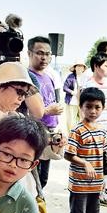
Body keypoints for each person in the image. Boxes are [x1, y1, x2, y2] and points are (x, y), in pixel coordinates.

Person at [64, 87, 107, 213]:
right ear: (81, 107)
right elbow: (69, 155)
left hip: (95, 185)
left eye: (97, 107)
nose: (93, 111)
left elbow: (103, 155)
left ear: (103, 108)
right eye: (88, 107)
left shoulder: (102, 131)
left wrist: (104, 178)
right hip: (79, 185)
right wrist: (85, 163)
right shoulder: (77, 130)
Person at [78, 52, 107, 206]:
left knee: (106, 165)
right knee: (90, 163)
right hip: (91, 134)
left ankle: (102, 192)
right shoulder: (88, 86)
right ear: (96, 66)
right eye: (106, 66)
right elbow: (82, 109)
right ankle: (90, 193)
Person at [27, 35, 64, 189]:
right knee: (34, 178)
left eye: (48, 54)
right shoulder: (27, 77)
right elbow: (31, 110)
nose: (44, 57)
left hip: (49, 132)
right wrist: (49, 111)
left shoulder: (48, 77)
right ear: (29, 53)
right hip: (34, 131)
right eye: (40, 53)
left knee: (43, 178)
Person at [63, 62, 85, 133]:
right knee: (71, 121)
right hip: (72, 102)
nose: (79, 68)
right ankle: (71, 136)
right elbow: (65, 87)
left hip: (82, 103)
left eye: (81, 67)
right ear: (75, 68)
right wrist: (73, 92)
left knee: (81, 120)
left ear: (83, 68)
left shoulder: (85, 77)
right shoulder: (71, 77)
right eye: (78, 66)